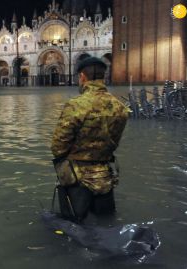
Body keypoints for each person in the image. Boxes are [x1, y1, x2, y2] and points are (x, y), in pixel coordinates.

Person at [51, 57, 129, 223]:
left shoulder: (76, 105)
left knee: (74, 226)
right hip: (105, 177)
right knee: (106, 223)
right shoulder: (120, 107)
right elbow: (113, 142)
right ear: (103, 77)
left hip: (77, 180)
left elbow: (58, 147)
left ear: (82, 77)